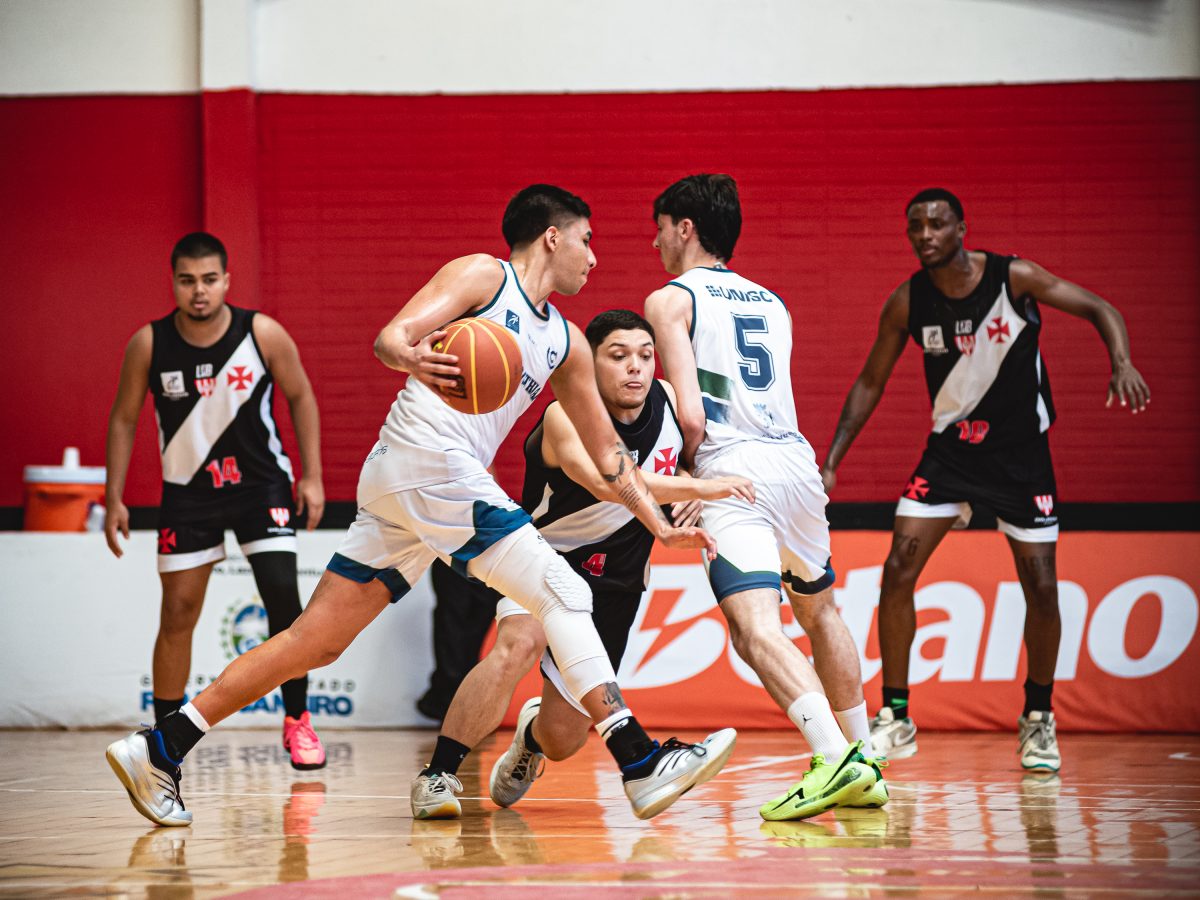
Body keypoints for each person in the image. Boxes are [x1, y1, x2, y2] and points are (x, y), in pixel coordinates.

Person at [106, 185, 736, 827]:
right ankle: (639, 761)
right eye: (587, 240)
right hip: (426, 456)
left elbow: (611, 459)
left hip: (413, 484)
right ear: (553, 236)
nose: (593, 257)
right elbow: (391, 338)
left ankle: (160, 747)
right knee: (565, 593)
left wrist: (659, 525)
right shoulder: (484, 276)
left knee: (312, 643)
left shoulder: (568, 343)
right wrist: (412, 357)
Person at [820, 187, 1150, 772]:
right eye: (915, 226)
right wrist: (832, 459)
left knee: (1041, 587)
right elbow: (870, 382)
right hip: (951, 458)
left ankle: (1038, 717)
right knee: (897, 570)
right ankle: (897, 716)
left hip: (1021, 459)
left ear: (961, 228)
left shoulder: (1013, 278)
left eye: (937, 224)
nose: (925, 235)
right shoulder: (908, 301)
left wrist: (1120, 360)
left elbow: (1102, 308)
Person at [409, 309, 755, 819]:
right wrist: (703, 487)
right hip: (547, 559)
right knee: (517, 645)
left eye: (645, 355)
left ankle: (530, 738)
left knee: (563, 739)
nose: (635, 367)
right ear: (589, 365)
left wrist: (688, 485)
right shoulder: (563, 417)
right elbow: (607, 481)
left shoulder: (670, 403)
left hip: (619, 581)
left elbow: (678, 462)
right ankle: (437, 776)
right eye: (619, 356)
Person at [643, 174, 885, 821]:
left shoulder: (669, 299)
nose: (656, 242)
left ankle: (833, 758)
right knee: (821, 612)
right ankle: (866, 760)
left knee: (755, 629)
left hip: (735, 469)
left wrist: (690, 479)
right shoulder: (774, 303)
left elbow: (690, 414)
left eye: (660, 228)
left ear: (685, 228)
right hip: (796, 465)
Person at [104, 231, 327, 770]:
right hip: (189, 493)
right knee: (177, 612)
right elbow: (124, 419)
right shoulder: (149, 343)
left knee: (284, 601)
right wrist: (113, 497)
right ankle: (164, 743)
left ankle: (297, 720)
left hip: (261, 486)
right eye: (187, 281)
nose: (199, 291)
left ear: (226, 280)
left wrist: (313, 477)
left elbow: (301, 395)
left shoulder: (262, 332)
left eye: (209, 280)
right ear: (174, 283)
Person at [416, 559, 501, 723]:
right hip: (453, 555)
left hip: (490, 557)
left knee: (476, 623)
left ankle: (453, 698)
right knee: (451, 622)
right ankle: (451, 699)